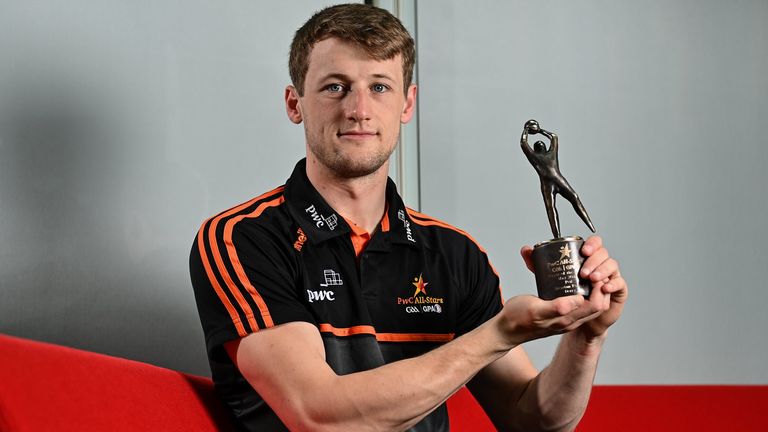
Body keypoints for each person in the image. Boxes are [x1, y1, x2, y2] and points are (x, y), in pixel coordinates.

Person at [189, 4, 627, 431]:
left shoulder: (454, 254)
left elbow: (534, 422)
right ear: (294, 103)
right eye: (335, 86)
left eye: (379, 87)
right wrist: (499, 333)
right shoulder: (240, 238)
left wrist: (586, 336)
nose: (358, 109)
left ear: (407, 103)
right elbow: (319, 417)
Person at [520, 119, 595, 239]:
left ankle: (590, 225)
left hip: (556, 181)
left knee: (573, 198)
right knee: (552, 208)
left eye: (541, 143)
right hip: (549, 184)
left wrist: (531, 130)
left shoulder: (550, 154)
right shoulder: (535, 157)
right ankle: (557, 237)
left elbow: (528, 142)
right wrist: (533, 130)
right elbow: (550, 138)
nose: (540, 144)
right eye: (538, 144)